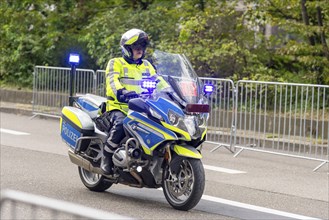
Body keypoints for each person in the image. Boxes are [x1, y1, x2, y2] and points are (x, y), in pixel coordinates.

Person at [99, 28, 169, 175]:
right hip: (119, 107)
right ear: (127, 49)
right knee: (120, 124)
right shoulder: (116, 63)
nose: (140, 50)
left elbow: (159, 81)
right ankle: (106, 157)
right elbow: (112, 81)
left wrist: (171, 91)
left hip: (143, 108)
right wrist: (122, 92)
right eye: (136, 47)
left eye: (142, 47)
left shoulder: (147, 66)